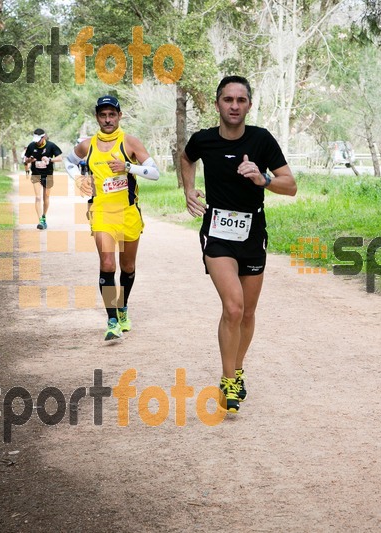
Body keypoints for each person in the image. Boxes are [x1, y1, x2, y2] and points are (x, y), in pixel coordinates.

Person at [180, 75, 297, 413]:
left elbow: (291, 186)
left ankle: (238, 368)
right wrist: (188, 189)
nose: (234, 106)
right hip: (217, 232)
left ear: (248, 104)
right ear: (217, 103)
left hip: (252, 233)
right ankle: (228, 380)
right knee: (232, 307)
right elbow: (186, 158)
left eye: (240, 100)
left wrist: (264, 178)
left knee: (247, 312)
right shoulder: (203, 140)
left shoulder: (261, 140)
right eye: (228, 100)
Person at [63, 95, 159, 341]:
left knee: (128, 267)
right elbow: (68, 160)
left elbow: (155, 172)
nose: (107, 119)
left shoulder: (130, 143)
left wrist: (128, 167)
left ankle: (123, 306)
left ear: (119, 116)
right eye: (103, 115)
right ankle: (112, 320)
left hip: (128, 213)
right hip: (102, 212)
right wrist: (78, 178)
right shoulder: (88, 145)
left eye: (111, 115)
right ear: (97, 117)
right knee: (107, 265)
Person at [23, 128, 62, 230]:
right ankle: (40, 220)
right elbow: (25, 160)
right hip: (36, 174)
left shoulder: (51, 145)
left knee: (46, 198)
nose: (37, 142)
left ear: (43, 137)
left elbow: (60, 158)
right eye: (35, 140)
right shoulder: (31, 146)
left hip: (48, 175)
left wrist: (50, 159)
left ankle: (44, 217)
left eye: (38, 140)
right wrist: (30, 160)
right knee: (38, 197)